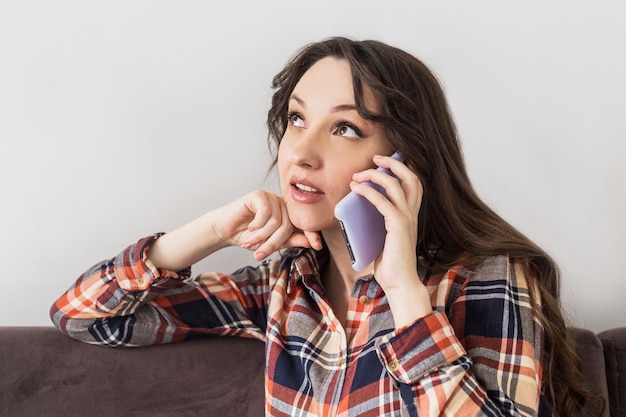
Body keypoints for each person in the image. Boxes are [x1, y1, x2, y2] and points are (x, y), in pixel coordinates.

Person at [51, 37, 600, 416]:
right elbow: (84, 317)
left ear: (404, 161)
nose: (301, 155)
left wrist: (405, 291)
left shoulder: (485, 277)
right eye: (296, 119)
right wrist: (214, 229)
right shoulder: (285, 287)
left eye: (344, 128)